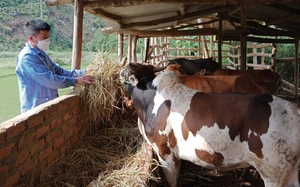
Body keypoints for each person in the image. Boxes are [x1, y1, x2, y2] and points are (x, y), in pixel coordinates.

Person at [16, 19, 94, 113]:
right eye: (44, 37)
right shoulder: (27, 58)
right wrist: (76, 80)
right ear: (31, 38)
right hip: (35, 111)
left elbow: (59, 71)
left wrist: (84, 72)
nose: (47, 40)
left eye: (48, 37)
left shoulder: (42, 54)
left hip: (48, 107)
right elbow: (51, 81)